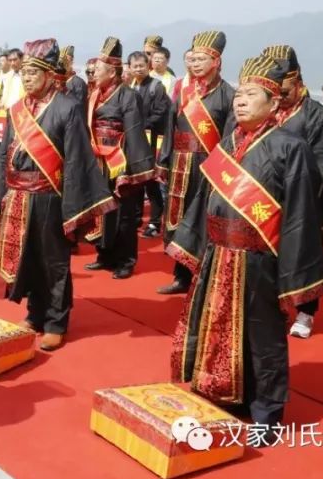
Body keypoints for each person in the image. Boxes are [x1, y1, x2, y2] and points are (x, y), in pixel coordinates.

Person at [168, 54, 323, 440]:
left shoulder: (291, 147)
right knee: (219, 326)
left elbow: (301, 217)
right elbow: (205, 197)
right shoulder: (228, 143)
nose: (240, 100)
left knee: (263, 335)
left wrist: (291, 275)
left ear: (274, 103)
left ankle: (266, 412)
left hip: (261, 257)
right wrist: (194, 243)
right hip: (220, 253)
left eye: (251, 94)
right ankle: (226, 393)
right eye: (238, 93)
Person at [0, 38, 115, 351]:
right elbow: (4, 154)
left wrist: (72, 208)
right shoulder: (16, 110)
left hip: (49, 195)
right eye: (25, 72)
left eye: (34, 72)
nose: (27, 77)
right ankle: (34, 313)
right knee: (27, 258)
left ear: (48, 75)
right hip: (18, 195)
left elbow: (76, 159)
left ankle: (57, 321)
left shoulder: (68, 108)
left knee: (53, 262)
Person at [257, 45, 323, 339]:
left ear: (298, 80)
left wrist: (293, 194)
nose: (278, 93)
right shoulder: (266, 111)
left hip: (301, 199)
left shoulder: (315, 114)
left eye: (283, 87)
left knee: (303, 255)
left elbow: (319, 163)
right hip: (262, 199)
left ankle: (305, 312)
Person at [156, 30, 236, 294]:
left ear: (217, 61)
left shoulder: (227, 95)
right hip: (179, 162)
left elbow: (228, 138)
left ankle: (203, 275)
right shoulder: (183, 91)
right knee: (177, 218)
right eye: (192, 58)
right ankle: (181, 276)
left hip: (206, 167)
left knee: (203, 220)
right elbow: (170, 127)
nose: (195, 63)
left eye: (202, 58)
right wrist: (164, 160)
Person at [83, 39, 155, 280]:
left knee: (124, 212)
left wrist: (130, 170)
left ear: (112, 72)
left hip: (120, 160)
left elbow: (134, 131)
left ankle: (126, 261)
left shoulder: (128, 96)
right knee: (103, 210)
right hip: (99, 159)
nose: (94, 74)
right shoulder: (95, 94)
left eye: (98, 71)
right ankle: (104, 255)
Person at [126, 51, 171, 239]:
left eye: (141, 65)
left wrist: (142, 125)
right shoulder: (130, 86)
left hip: (151, 142)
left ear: (148, 65)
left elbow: (161, 111)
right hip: (134, 141)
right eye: (134, 66)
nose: (138, 69)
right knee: (135, 181)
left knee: (151, 183)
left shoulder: (156, 86)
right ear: (129, 68)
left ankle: (154, 222)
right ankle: (136, 218)